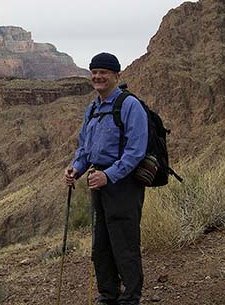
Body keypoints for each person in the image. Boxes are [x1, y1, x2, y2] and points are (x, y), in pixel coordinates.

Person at [64, 52, 148, 305]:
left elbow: (136, 151)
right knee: (101, 244)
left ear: (116, 76)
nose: (98, 76)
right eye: (94, 72)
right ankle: (108, 294)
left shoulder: (130, 105)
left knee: (124, 243)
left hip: (123, 184)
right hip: (96, 182)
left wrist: (108, 176)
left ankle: (131, 298)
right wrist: (76, 169)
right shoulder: (93, 109)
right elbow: (85, 148)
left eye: (104, 72)